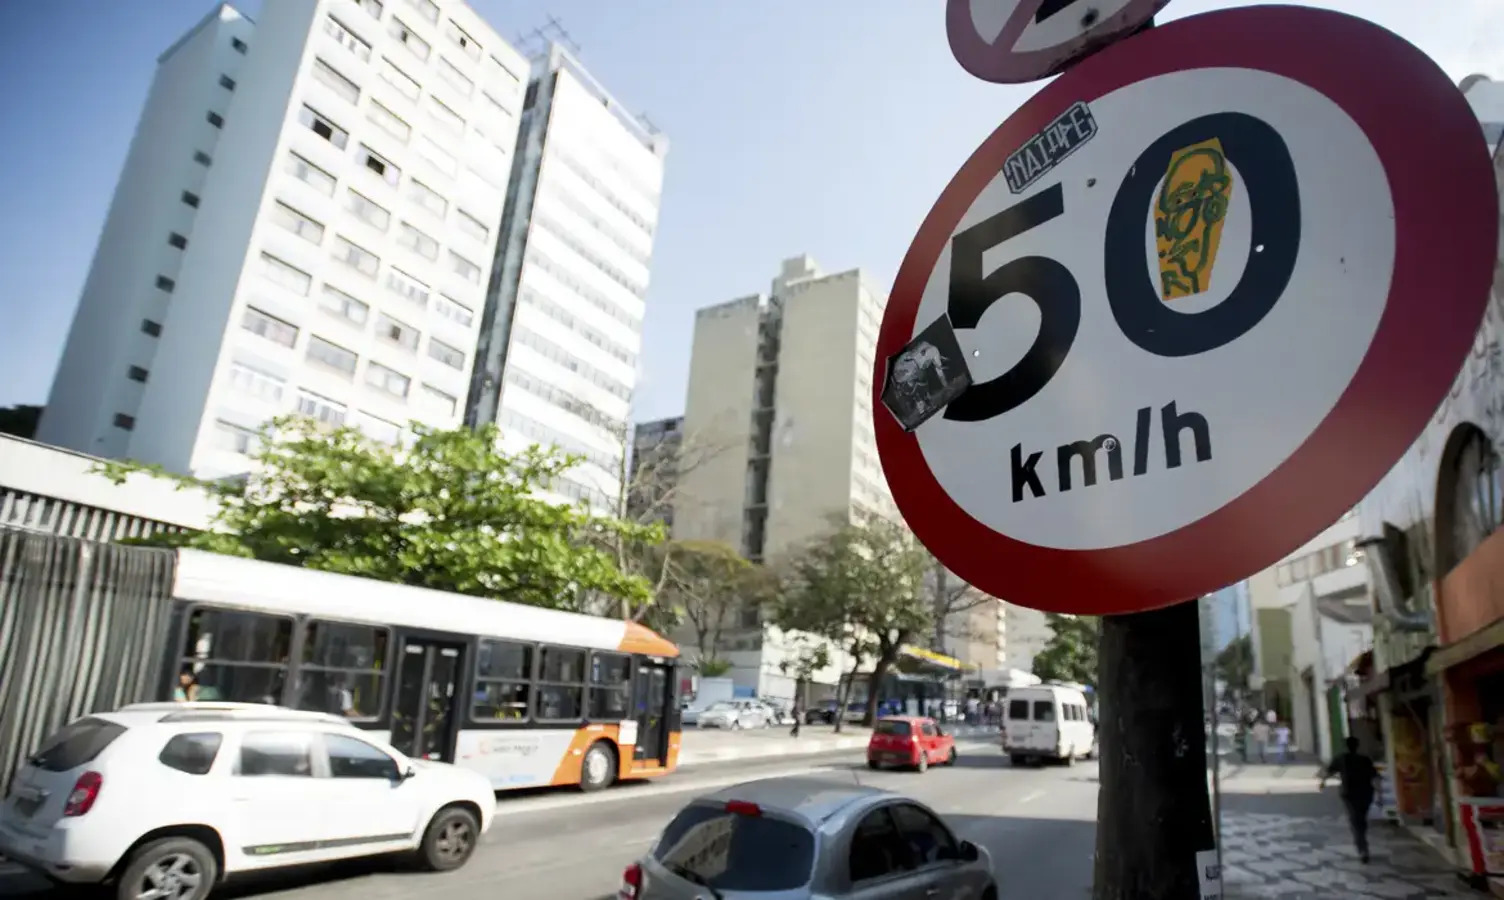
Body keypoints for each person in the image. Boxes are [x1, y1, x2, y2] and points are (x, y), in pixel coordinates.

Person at [1321, 736, 1380, 863]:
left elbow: (1329, 771)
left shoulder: (1341, 759)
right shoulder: (1365, 759)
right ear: (1357, 746)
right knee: (1361, 820)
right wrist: (1380, 794)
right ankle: (1362, 845)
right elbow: (1375, 777)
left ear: (1345, 746)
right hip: (1366, 793)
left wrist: (1323, 782)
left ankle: (1362, 848)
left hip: (1349, 794)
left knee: (1356, 821)